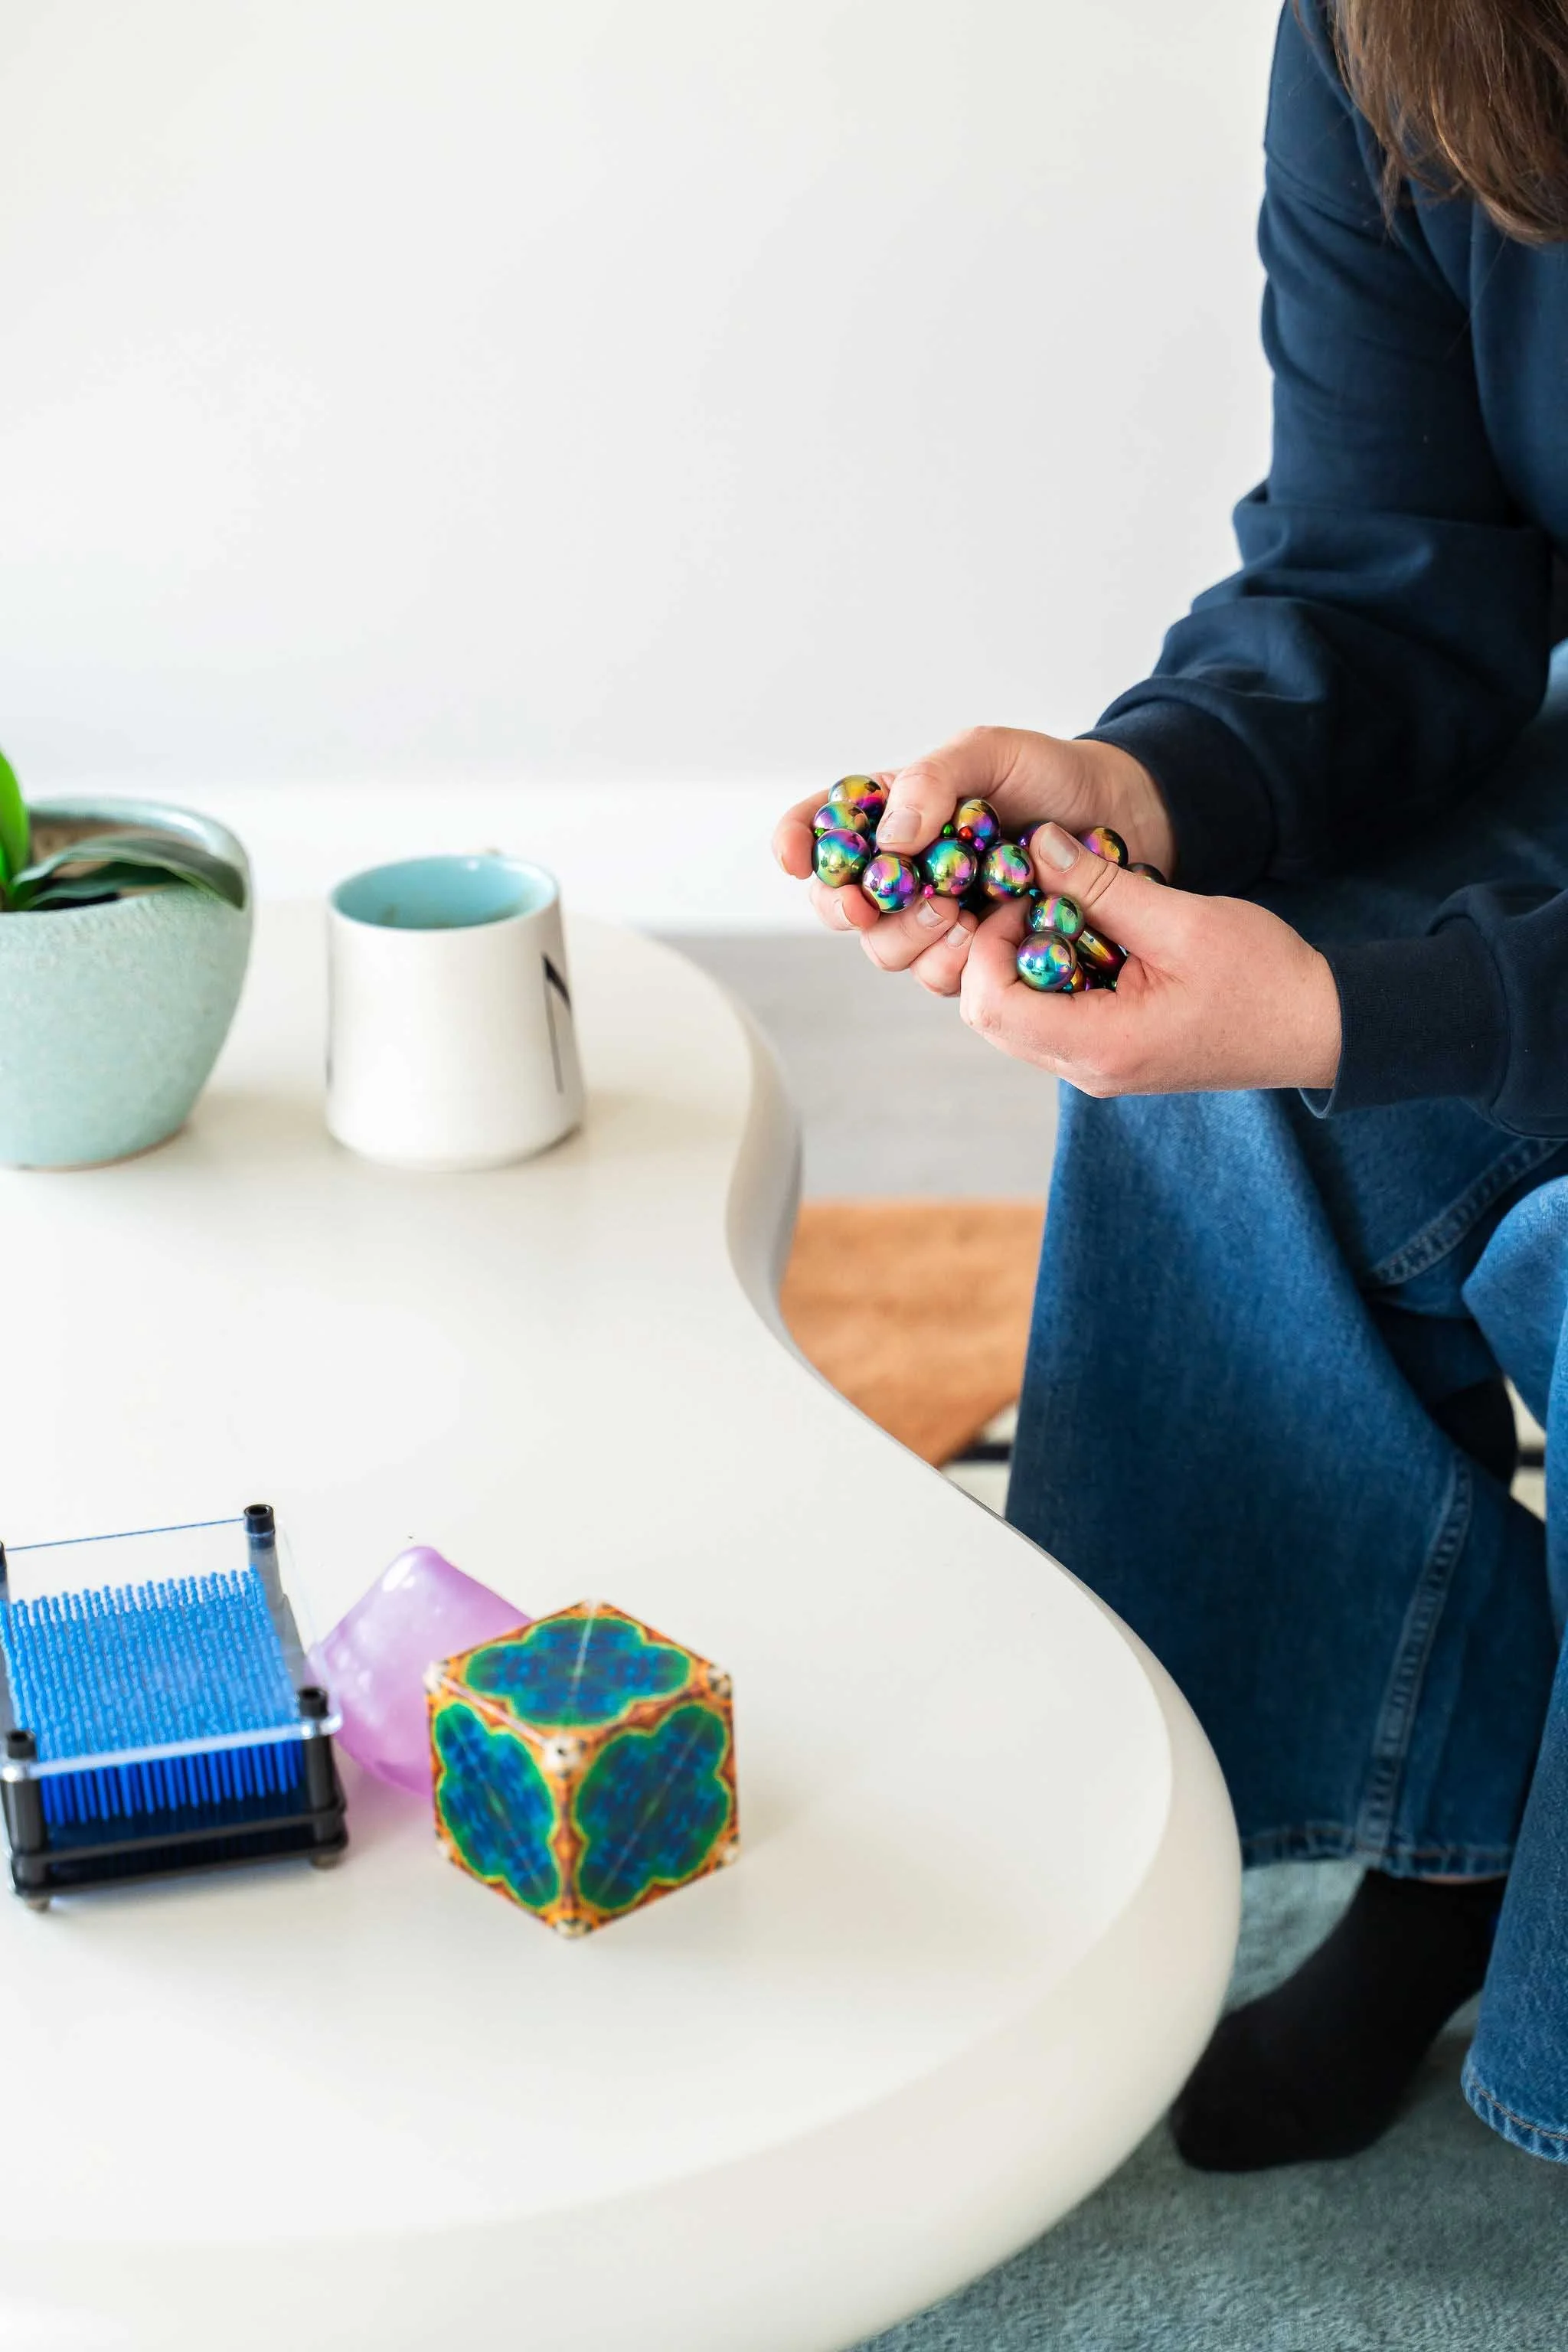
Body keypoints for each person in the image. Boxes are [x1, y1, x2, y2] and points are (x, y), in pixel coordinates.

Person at [774, 0, 1568, 2171]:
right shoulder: (1415, 29)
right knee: (1183, 1053)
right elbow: (1391, 570)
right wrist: (1137, 786)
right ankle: (1446, 1818)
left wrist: (1352, 1015)